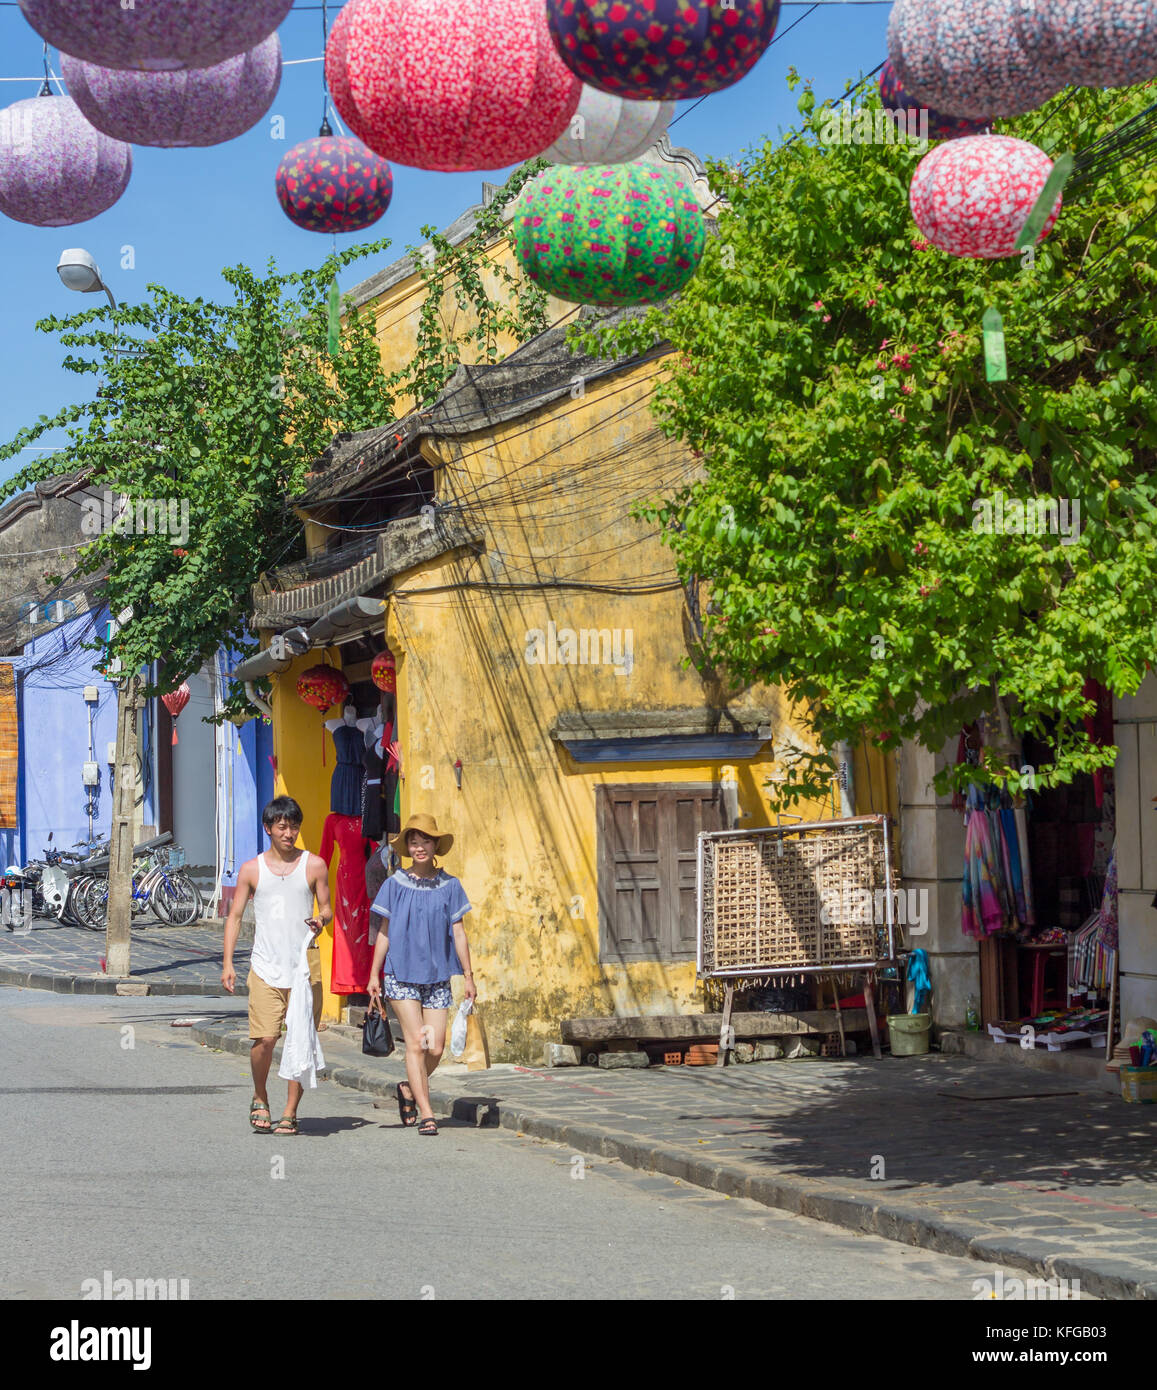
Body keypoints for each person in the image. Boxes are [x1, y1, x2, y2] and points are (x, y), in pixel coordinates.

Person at [222, 795, 332, 1136]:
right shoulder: (251, 870)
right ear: (268, 828)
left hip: (304, 967)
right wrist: (228, 962)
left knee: (301, 1039)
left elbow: (327, 908)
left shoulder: (314, 866)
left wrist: (320, 920)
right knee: (265, 1040)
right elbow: (235, 916)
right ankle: (260, 1094)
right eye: (282, 827)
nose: (289, 833)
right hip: (266, 967)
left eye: (294, 826)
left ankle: (290, 1110)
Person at [366, 812, 476, 1136]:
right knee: (416, 1043)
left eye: (425, 840)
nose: (419, 847)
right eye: (413, 841)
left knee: (436, 1048)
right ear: (407, 847)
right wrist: (375, 974)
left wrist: (468, 976)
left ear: (435, 845)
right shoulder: (394, 885)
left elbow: (459, 933)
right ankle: (427, 1113)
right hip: (400, 974)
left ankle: (410, 1088)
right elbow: (383, 932)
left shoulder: (450, 886)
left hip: (438, 975)